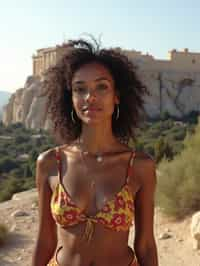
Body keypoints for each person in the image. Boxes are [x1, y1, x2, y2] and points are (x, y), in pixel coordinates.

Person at [32, 38, 158, 266]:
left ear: (116, 96)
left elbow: (146, 245)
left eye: (102, 86)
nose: (90, 97)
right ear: (70, 99)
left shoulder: (140, 166)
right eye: (80, 89)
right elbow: (44, 241)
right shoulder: (50, 163)